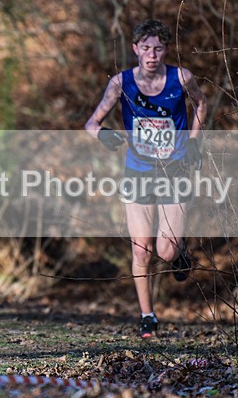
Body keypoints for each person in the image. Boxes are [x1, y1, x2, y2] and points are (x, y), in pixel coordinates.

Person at [85, 19, 207, 338]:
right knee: (141, 250)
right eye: (146, 48)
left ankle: (180, 251)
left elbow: (201, 104)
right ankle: (147, 316)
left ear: (166, 50)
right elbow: (91, 124)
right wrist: (104, 135)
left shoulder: (181, 78)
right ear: (135, 49)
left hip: (174, 170)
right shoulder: (120, 83)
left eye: (158, 49)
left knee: (165, 252)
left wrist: (194, 141)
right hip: (137, 172)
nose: (152, 55)